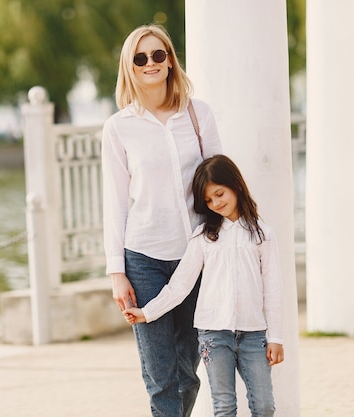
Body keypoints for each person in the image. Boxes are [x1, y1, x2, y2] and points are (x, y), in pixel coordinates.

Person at [102, 24, 223, 417]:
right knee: (160, 376)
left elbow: (220, 182)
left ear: (170, 59)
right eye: (141, 58)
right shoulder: (119, 127)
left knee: (188, 373)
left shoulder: (198, 114)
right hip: (144, 258)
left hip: (196, 256)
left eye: (158, 55)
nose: (151, 63)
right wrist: (116, 273)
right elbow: (115, 203)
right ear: (130, 67)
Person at [124, 154, 285, 417]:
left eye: (220, 194)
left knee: (265, 405)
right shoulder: (203, 237)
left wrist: (276, 338)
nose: (216, 203)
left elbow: (274, 290)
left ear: (236, 185)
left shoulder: (262, 234)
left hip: (253, 335)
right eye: (209, 200)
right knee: (224, 407)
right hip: (213, 334)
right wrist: (147, 312)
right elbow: (180, 285)